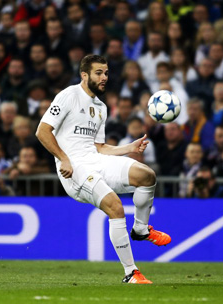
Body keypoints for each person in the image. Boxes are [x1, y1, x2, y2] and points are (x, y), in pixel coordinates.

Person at [35, 55, 171, 284]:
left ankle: (141, 229)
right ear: (84, 75)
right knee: (115, 207)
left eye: (106, 73)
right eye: (99, 72)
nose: (104, 77)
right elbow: (42, 131)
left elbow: (98, 147)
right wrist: (63, 159)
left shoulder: (101, 107)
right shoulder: (69, 96)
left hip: (94, 160)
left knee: (146, 175)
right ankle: (131, 273)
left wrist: (130, 147)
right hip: (74, 169)